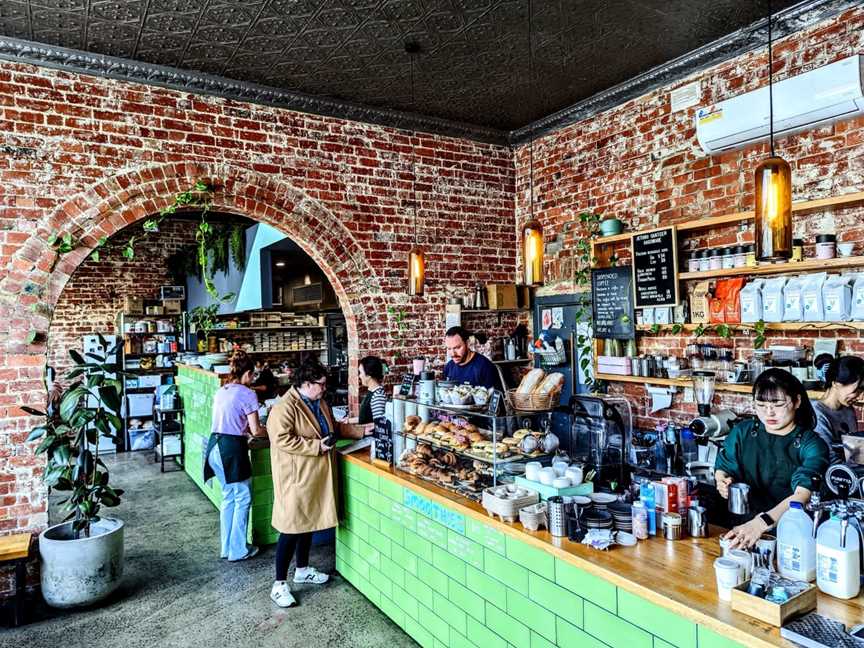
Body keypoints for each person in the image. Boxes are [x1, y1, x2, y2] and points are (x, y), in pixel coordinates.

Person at [267, 358, 371, 607]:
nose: (324, 388)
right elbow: (280, 438)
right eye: (321, 384)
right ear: (306, 383)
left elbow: (333, 427)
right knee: (291, 529)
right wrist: (316, 446)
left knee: (308, 524)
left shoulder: (318, 401)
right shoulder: (284, 408)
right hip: (297, 477)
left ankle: (302, 569)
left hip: (315, 475)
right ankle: (279, 584)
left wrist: (361, 430)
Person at [714, 368, 829, 550]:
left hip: (791, 534)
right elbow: (724, 466)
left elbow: (803, 494)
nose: (769, 413)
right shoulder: (743, 432)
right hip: (744, 528)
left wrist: (762, 522)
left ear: (797, 401)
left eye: (777, 405)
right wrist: (722, 481)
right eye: (761, 405)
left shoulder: (812, 444)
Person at [203, 351, 267, 562]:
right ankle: (239, 550)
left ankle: (227, 547)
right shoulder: (248, 394)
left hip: (214, 446)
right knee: (243, 497)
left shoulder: (223, 390)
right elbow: (256, 430)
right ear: (247, 373)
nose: (254, 378)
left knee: (229, 497)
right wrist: (273, 427)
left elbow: (233, 421)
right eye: (253, 375)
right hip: (231, 449)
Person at [358, 355, 387, 424]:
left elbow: (378, 424)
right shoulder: (372, 392)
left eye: (361, 372)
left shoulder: (377, 396)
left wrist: (357, 429)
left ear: (368, 375)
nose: (359, 376)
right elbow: (365, 418)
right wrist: (348, 421)